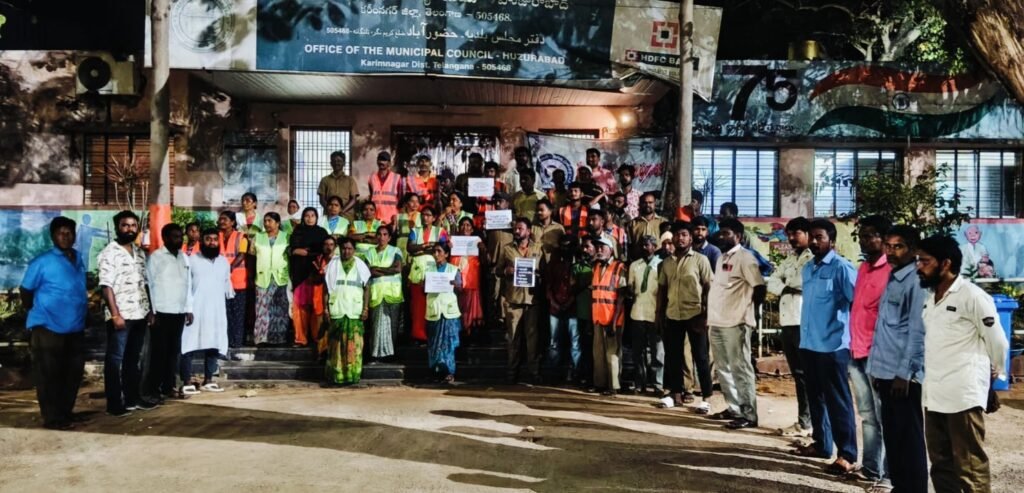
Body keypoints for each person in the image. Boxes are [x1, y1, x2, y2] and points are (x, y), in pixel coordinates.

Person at [918, 235, 1008, 492]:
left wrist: (993, 380)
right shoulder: (931, 297)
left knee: (970, 466)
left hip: (962, 395)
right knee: (941, 464)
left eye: (925, 261)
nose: (919, 266)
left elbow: (998, 342)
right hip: (934, 393)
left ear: (945, 263)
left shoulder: (972, 296)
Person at [792, 219, 859, 475]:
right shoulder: (808, 268)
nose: (814, 242)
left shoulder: (842, 268)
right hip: (809, 344)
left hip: (833, 347)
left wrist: (853, 340)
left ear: (832, 240)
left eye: (819, 237)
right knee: (816, 398)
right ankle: (822, 444)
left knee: (838, 401)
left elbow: (856, 304)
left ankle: (847, 454)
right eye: (811, 237)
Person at [868, 225, 927, 493]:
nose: (890, 252)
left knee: (908, 439)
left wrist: (905, 374)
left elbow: (917, 332)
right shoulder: (894, 277)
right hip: (885, 371)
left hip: (902, 376)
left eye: (898, 246)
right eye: (888, 246)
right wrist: (875, 369)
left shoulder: (916, 281)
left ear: (913, 250)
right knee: (893, 437)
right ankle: (900, 487)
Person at [20, 216, 88, 429]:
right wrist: (37, 311)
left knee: (72, 373)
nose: (65, 237)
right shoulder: (42, 261)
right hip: (48, 327)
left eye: (69, 233)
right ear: (53, 236)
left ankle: (65, 412)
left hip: (75, 326)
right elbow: (25, 290)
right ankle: (52, 418)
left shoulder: (78, 258)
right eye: (60, 233)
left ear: (74, 236)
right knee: (49, 375)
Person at [706, 218, 765, 430]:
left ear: (738, 237)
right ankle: (734, 409)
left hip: (736, 322)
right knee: (723, 368)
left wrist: (749, 314)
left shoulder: (746, 258)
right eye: (720, 232)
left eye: (726, 233)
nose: (721, 236)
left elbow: (759, 287)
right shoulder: (721, 258)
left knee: (740, 368)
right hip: (717, 321)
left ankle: (749, 414)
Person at [849, 215, 893, 487]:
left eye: (869, 236)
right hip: (857, 351)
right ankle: (870, 468)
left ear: (884, 239)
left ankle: (890, 475)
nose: (863, 241)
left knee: (886, 416)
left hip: (879, 355)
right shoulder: (863, 268)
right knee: (867, 415)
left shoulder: (893, 271)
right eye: (862, 236)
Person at [99, 210, 154, 416]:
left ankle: (133, 399)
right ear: (117, 228)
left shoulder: (139, 253)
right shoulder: (109, 253)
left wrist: (150, 310)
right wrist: (115, 315)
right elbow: (106, 286)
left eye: (133, 225)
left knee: (133, 359)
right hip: (120, 316)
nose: (129, 229)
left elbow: (144, 284)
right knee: (115, 360)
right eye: (125, 225)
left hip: (139, 313)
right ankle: (114, 404)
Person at [657, 222, 714, 411]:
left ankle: (706, 398)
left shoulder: (700, 260)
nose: (680, 238)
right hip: (673, 314)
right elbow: (662, 290)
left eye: (684, 234)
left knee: (701, 357)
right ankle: (675, 394)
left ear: (690, 238)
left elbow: (709, 287)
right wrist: (659, 315)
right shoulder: (666, 263)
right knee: (673, 357)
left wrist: (706, 315)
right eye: (676, 235)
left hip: (695, 315)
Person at [766, 217, 814, 438]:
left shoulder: (812, 259)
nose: (792, 238)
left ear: (808, 234)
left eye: (797, 233)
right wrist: (788, 287)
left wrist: (788, 285)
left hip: (804, 322)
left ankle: (808, 423)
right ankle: (804, 421)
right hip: (788, 322)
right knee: (798, 374)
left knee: (807, 375)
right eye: (789, 234)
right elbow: (773, 282)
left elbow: (804, 284)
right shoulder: (789, 259)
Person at [179, 228, 233, 395]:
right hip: (195, 310)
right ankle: (186, 381)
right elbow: (185, 286)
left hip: (216, 311)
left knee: (214, 344)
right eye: (208, 239)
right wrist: (187, 309)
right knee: (188, 344)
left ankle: (208, 380)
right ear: (201, 241)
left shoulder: (223, 262)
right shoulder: (191, 260)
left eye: (215, 239)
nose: (212, 242)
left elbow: (227, 287)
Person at [145, 224, 191, 403]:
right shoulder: (156, 257)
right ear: (165, 238)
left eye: (180, 236)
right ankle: (153, 389)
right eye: (174, 236)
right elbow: (149, 284)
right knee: (159, 353)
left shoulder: (184, 257)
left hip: (178, 311)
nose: (179, 240)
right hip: (161, 312)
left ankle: (168, 387)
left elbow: (187, 284)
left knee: (173, 352)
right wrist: (152, 311)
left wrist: (189, 309)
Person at [497, 216, 545, 384]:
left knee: (533, 339)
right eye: (515, 229)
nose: (517, 231)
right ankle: (512, 373)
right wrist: (506, 271)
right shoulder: (507, 249)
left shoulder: (539, 248)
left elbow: (545, 270)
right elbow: (497, 270)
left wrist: (538, 274)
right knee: (513, 339)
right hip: (513, 300)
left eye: (520, 229)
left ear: (529, 231)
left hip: (532, 300)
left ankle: (534, 373)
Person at [322, 237, 372, 385]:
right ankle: (337, 376)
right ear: (340, 249)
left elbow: (367, 288)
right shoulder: (332, 265)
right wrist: (325, 309)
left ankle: (352, 375)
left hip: (354, 309)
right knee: (336, 346)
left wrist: (366, 308)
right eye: (344, 248)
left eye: (350, 249)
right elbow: (326, 289)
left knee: (354, 345)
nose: (346, 251)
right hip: (337, 308)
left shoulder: (361, 265)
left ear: (354, 250)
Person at [629, 234, 666, 396]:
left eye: (647, 245)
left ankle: (658, 384)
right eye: (642, 245)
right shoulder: (634, 265)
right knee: (638, 352)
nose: (644, 248)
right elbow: (631, 287)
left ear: (654, 247)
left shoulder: (661, 264)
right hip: (637, 313)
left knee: (657, 352)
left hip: (654, 314)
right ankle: (640, 383)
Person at [590, 237, 627, 396]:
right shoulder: (596, 267)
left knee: (612, 354)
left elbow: (622, 296)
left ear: (611, 250)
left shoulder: (619, 267)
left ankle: (614, 386)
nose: (599, 250)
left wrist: (614, 321)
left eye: (602, 247)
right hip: (598, 317)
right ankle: (600, 384)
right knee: (598, 353)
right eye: (597, 247)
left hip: (613, 318)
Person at [408, 206, 448, 345]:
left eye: (428, 215)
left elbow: (443, 249)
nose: (425, 218)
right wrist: (426, 246)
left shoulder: (440, 231)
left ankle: (433, 335)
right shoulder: (415, 231)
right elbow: (410, 248)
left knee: (433, 304)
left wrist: (420, 249)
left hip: (435, 271)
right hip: (418, 271)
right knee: (418, 306)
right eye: (423, 215)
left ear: (434, 217)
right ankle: (419, 336)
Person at [424, 242, 464, 384]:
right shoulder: (429, 269)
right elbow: (424, 289)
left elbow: (460, 289)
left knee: (448, 344)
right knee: (434, 343)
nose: (436, 254)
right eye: (434, 251)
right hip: (434, 310)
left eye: (439, 251)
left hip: (449, 312)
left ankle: (448, 372)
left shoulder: (454, 270)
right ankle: (435, 371)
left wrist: (455, 284)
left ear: (446, 254)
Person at [289, 207, 328, 348]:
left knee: (317, 306)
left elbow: (325, 250)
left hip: (317, 273)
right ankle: (301, 338)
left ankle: (317, 338)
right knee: (300, 307)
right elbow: (292, 250)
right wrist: (296, 251)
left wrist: (306, 253)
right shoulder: (297, 232)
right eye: (307, 215)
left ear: (317, 218)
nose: (310, 218)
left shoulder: (322, 232)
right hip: (300, 274)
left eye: (313, 215)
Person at [366, 225, 404, 364]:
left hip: (393, 293)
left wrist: (378, 269)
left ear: (389, 237)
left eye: (385, 234)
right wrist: (388, 270)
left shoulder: (396, 251)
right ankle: (376, 355)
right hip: (376, 294)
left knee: (392, 325)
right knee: (376, 325)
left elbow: (397, 268)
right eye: (379, 234)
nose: (382, 237)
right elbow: (368, 271)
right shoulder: (370, 252)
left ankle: (390, 355)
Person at [252, 212, 290, 346]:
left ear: (278, 223)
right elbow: (251, 255)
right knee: (262, 308)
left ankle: (279, 338)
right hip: (262, 277)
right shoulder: (258, 237)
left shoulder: (287, 237)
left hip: (280, 278)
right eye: (265, 221)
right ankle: (262, 338)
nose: (266, 223)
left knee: (280, 309)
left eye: (270, 221)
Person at [546, 235, 579, 383]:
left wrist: (569, 302)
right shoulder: (553, 264)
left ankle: (575, 373)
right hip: (555, 308)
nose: (565, 249)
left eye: (568, 246)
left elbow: (579, 288)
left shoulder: (577, 265)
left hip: (573, 308)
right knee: (554, 343)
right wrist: (555, 303)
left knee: (575, 343)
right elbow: (548, 287)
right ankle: (554, 373)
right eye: (563, 246)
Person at [450, 217, 485, 341]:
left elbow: (485, 259)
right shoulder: (453, 240)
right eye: (462, 225)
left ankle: (468, 333)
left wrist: (482, 248)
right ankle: (457, 333)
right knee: (456, 305)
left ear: (472, 229)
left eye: (468, 225)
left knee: (469, 307)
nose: (465, 227)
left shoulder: (477, 241)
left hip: (471, 277)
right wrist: (448, 246)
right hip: (455, 277)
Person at [218, 211, 249, 349]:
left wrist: (229, 268)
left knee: (238, 313)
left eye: (225, 219)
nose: (222, 221)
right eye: (220, 219)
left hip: (238, 281)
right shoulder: (216, 236)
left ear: (232, 222)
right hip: (220, 281)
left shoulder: (241, 237)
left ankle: (237, 341)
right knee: (224, 313)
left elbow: (242, 255)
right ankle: (226, 340)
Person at [572, 237, 597, 387]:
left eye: (588, 246)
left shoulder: (600, 266)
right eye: (583, 247)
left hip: (600, 313)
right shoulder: (578, 267)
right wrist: (585, 283)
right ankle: (585, 376)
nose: (585, 250)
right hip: (582, 312)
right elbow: (572, 288)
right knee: (584, 347)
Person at [317, 150, 359, 217]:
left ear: (344, 163)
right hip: (329, 216)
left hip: (346, 216)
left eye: (339, 161)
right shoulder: (325, 180)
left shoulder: (350, 180)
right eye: (334, 161)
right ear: (331, 163)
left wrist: (342, 211)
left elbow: (354, 199)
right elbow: (322, 200)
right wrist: (331, 210)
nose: (336, 163)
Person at [629, 192, 666, 260]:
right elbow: (629, 245)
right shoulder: (632, 223)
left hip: (658, 260)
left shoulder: (663, 222)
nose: (647, 205)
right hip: (638, 260)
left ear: (655, 204)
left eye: (650, 202)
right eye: (644, 202)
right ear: (640, 204)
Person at [368, 151, 401, 224]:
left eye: (384, 160)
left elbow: (400, 199)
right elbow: (371, 196)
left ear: (389, 163)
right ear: (377, 162)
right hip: (376, 219)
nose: (381, 162)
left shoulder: (396, 178)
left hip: (391, 219)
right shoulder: (372, 178)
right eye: (379, 159)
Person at [531, 199, 565, 263]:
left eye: (541, 210)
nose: (539, 212)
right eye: (537, 210)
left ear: (550, 211)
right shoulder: (532, 227)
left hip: (553, 262)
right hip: (535, 262)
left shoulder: (558, 228)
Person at [393, 192, 422, 257]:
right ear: (406, 203)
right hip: (401, 248)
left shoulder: (421, 216)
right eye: (412, 201)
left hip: (416, 249)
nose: (415, 204)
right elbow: (394, 233)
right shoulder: (398, 217)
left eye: (417, 201)